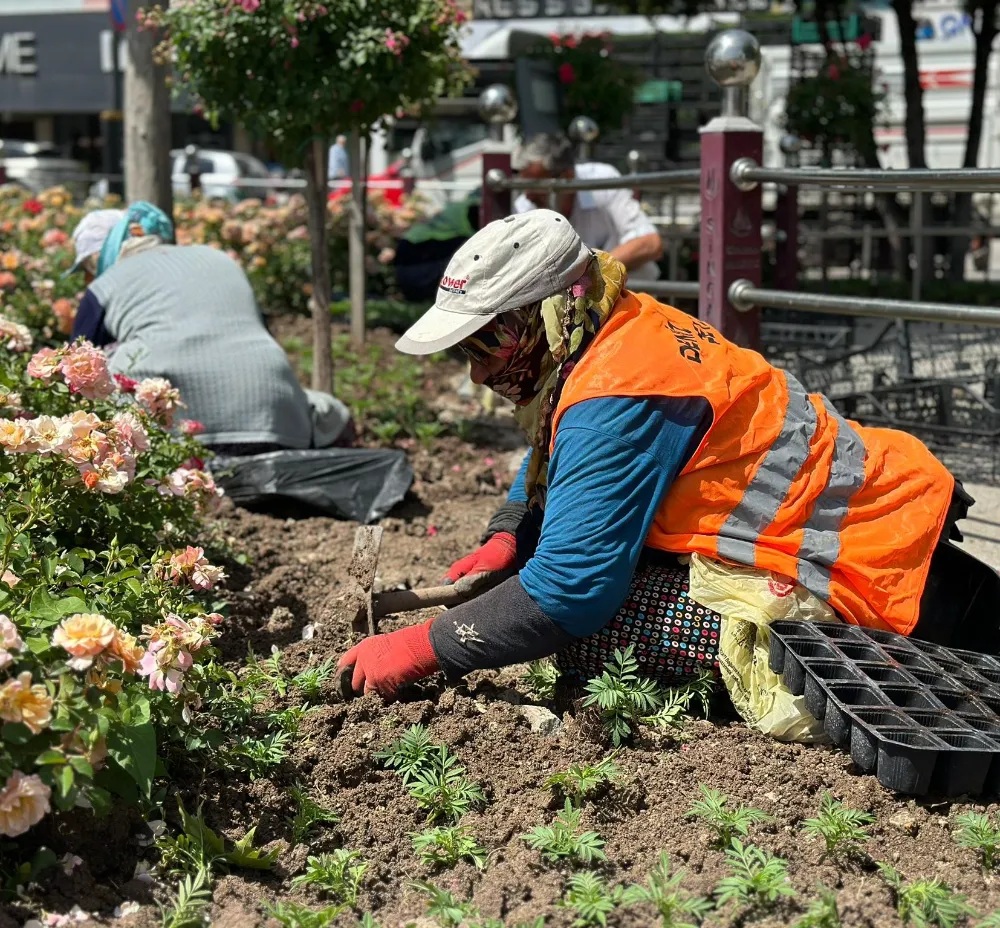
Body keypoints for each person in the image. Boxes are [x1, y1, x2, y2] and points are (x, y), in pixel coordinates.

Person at [338, 209, 991, 699]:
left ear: (549, 317)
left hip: (860, 578)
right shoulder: (619, 323)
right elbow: (560, 449)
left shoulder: (618, 392)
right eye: (466, 352)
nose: (478, 374)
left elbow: (570, 593)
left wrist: (428, 646)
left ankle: (843, 671)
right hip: (886, 513)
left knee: (600, 634)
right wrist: (511, 531)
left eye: (487, 346)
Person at [68, 202, 353, 453]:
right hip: (280, 427)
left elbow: (76, 373)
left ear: (100, 257)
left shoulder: (106, 285)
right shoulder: (218, 258)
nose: (86, 280)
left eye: (86, 270)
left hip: (173, 443)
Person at [511, 133, 663, 281]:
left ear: (568, 177)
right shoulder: (524, 207)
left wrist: (587, 276)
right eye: (525, 185)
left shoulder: (601, 181)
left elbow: (650, 243)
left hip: (633, 295)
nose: (528, 196)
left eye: (536, 186)